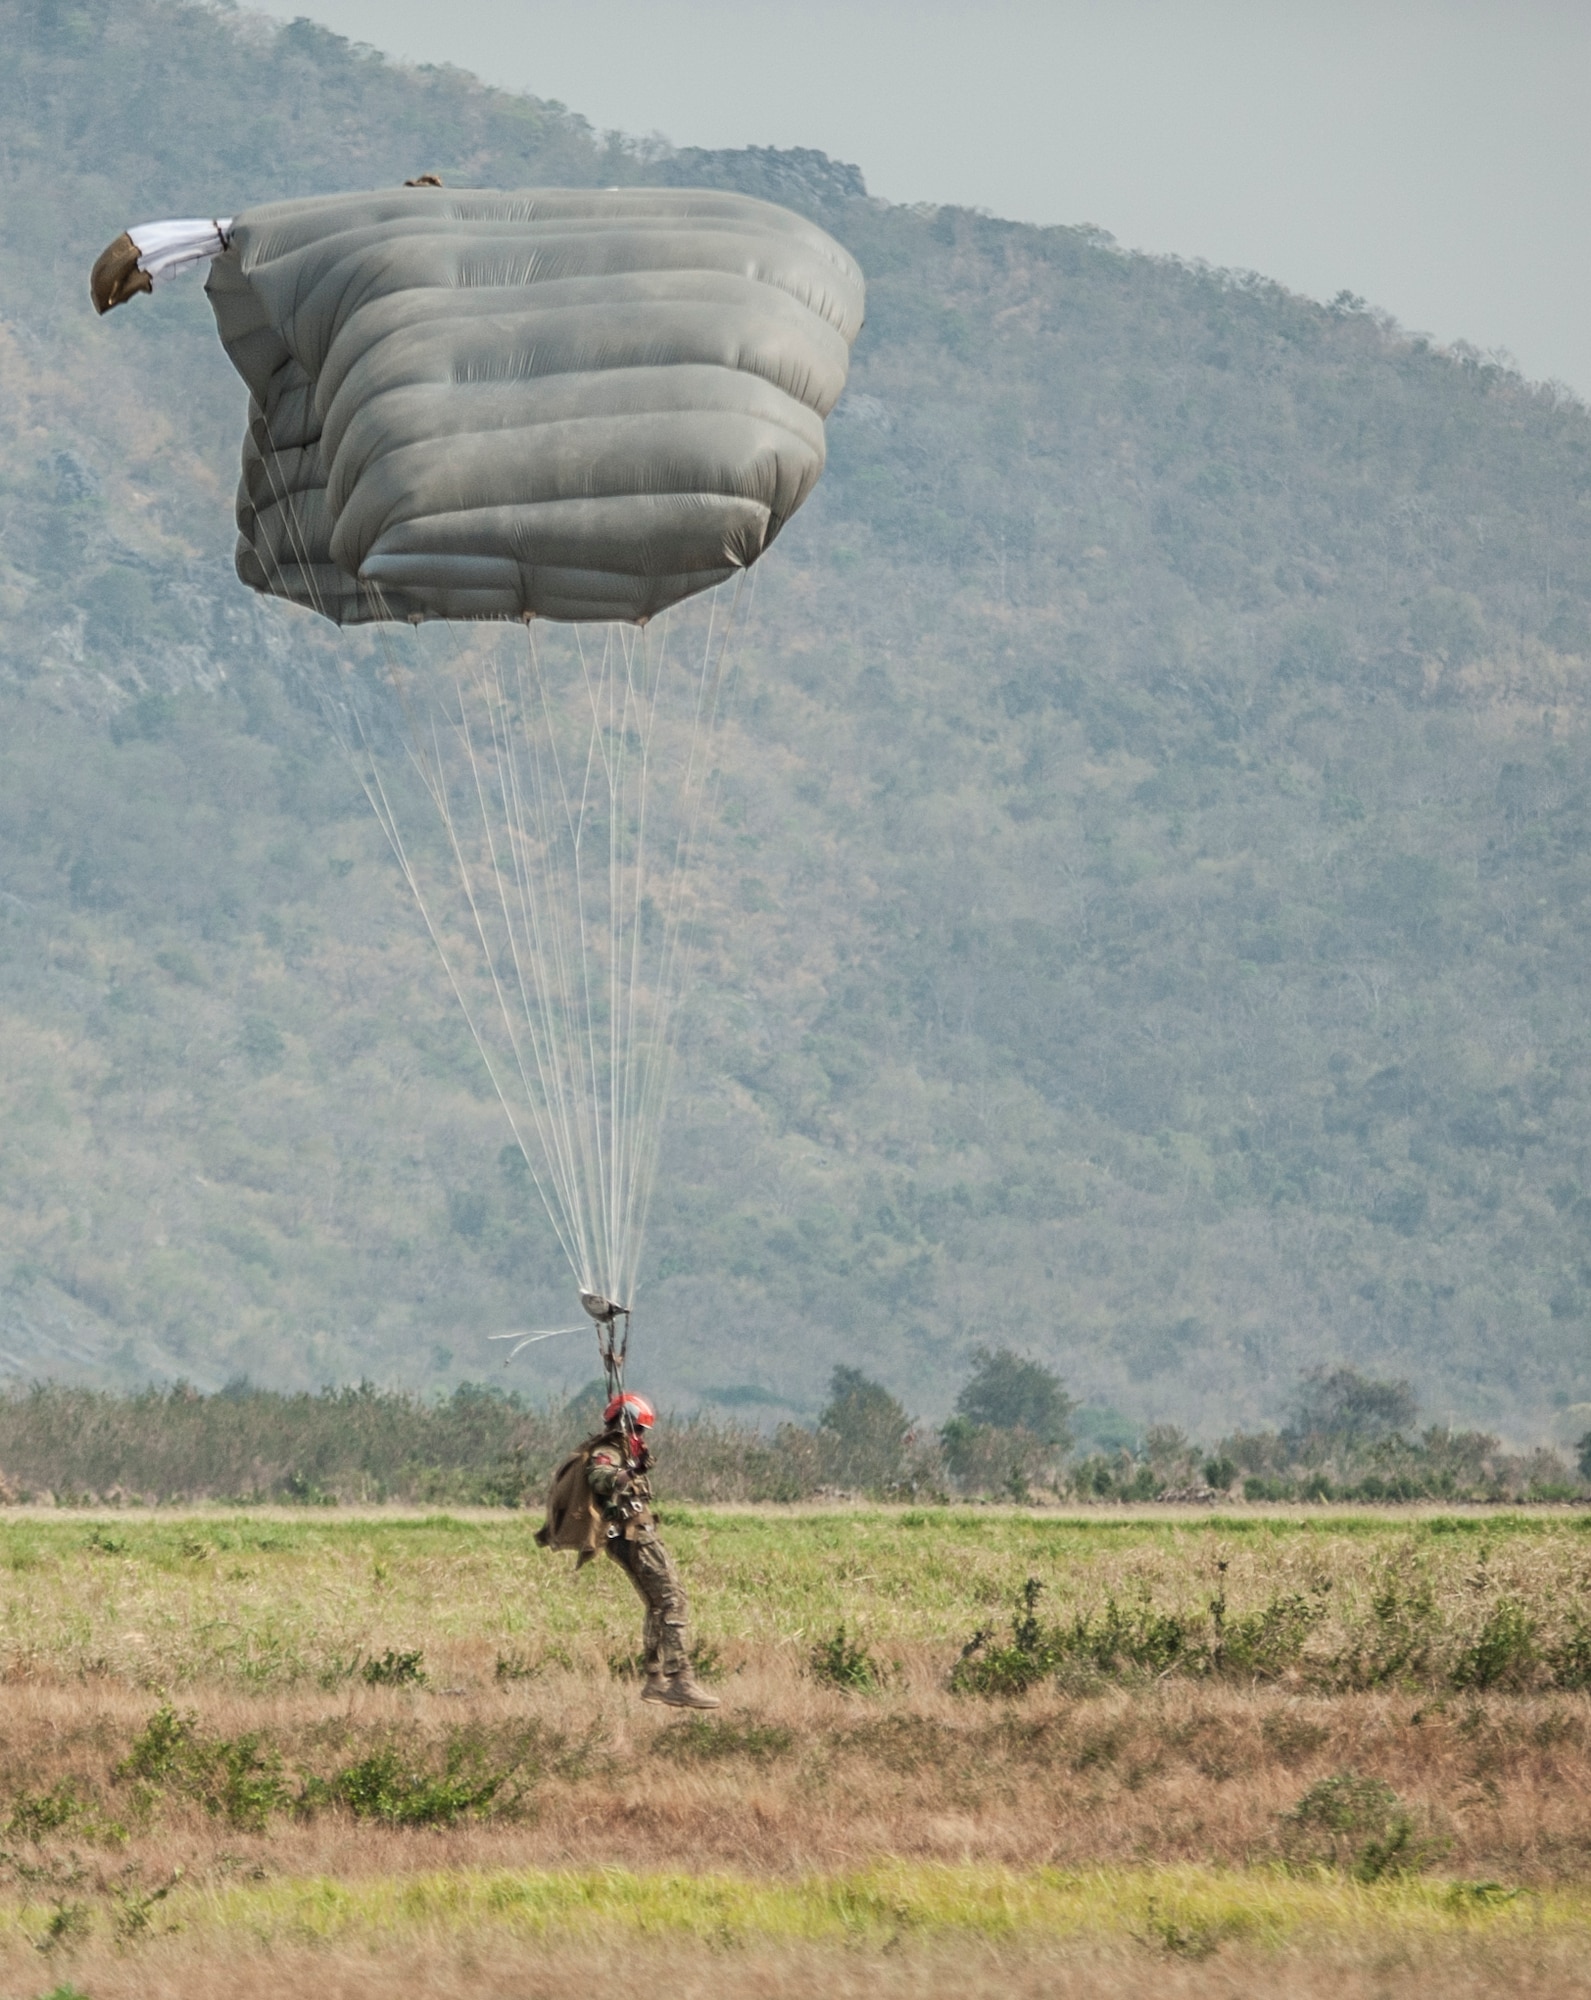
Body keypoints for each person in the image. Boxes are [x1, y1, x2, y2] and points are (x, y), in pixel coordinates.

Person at [536, 1389, 720, 1709]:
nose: (642, 1437)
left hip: (628, 1536)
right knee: (673, 1601)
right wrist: (629, 1472)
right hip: (633, 1536)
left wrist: (635, 1465)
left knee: (657, 1605)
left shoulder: (622, 1450)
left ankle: (655, 1678)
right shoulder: (607, 1450)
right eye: (638, 1430)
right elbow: (600, 1475)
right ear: (627, 1425)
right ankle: (679, 1678)